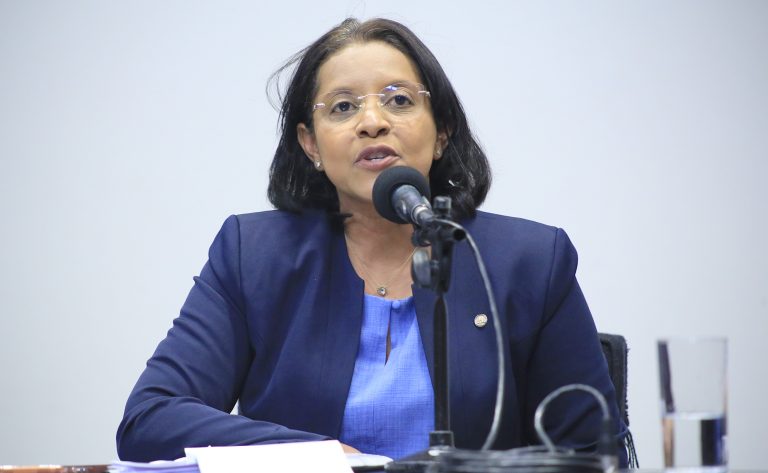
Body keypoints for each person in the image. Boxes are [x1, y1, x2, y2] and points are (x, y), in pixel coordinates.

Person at [116, 17, 628, 465]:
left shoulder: (530, 261)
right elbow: (150, 419)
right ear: (311, 145)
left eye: (399, 100)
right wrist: (313, 457)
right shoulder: (253, 256)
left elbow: (594, 457)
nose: (372, 122)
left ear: (442, 131)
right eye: (342, 107)